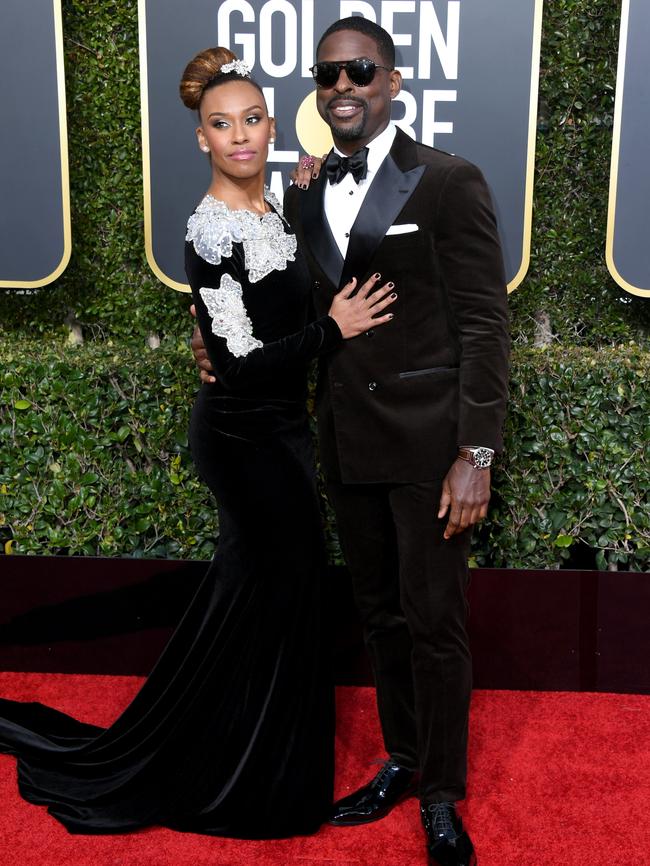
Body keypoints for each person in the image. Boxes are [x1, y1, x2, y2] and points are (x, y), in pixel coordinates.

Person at [0, 46, 397, 839]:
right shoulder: (211, 231)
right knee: (278, 600)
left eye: (252, 120)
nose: (240, 136)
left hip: (278, 437)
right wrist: (333, 328)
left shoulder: (273, 208)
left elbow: (258, 314)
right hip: (245, 441)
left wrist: (305, 197)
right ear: (202, 141)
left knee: (260, 603)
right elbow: (243, 364)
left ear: (272, 127)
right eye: (223, 125)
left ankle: (241, 760)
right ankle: (254, 784)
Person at [193, 18, 509, 866]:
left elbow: (485, 325)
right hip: (343, 443)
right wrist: (213, 338)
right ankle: (403, 758)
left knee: (435, 619)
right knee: (380, 617)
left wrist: (475, 455)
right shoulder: (301, 190)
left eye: (360, 71)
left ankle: (442, 794)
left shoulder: (447, 181)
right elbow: (286, 307)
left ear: (394, 82)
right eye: (327, 74)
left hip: (429, 449)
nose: (342, 87)